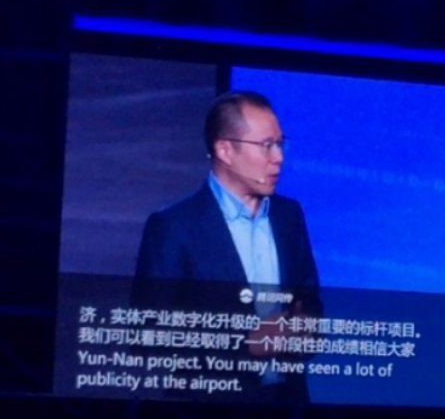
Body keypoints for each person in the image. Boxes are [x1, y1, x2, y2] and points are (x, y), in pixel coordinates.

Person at [134, 90, 322, 401]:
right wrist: (245, 344)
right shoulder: (173, 226)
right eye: (266, 145)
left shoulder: (290, 216)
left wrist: (304, 330)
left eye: (280, 144)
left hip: (287, 407)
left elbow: (310, 303)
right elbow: (147, 335)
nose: (279, 157)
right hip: (208, 413)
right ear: (225, 150)